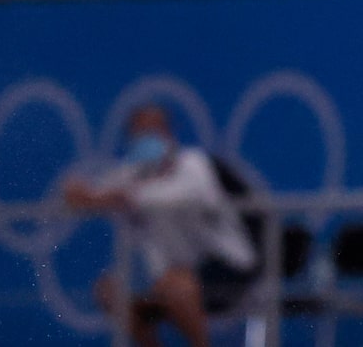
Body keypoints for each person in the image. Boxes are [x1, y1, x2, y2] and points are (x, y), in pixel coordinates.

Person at [63, 105, 260, 347]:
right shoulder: (132, 173)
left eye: (153, 129)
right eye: (141, 132)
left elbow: (176, 197)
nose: (148, 137)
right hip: (172, 272)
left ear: (167, 132)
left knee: (175, 285)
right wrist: (77, 192)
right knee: (110, 289)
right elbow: (95, 194)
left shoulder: (195, 164)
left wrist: (115, 198)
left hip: (228, 266)